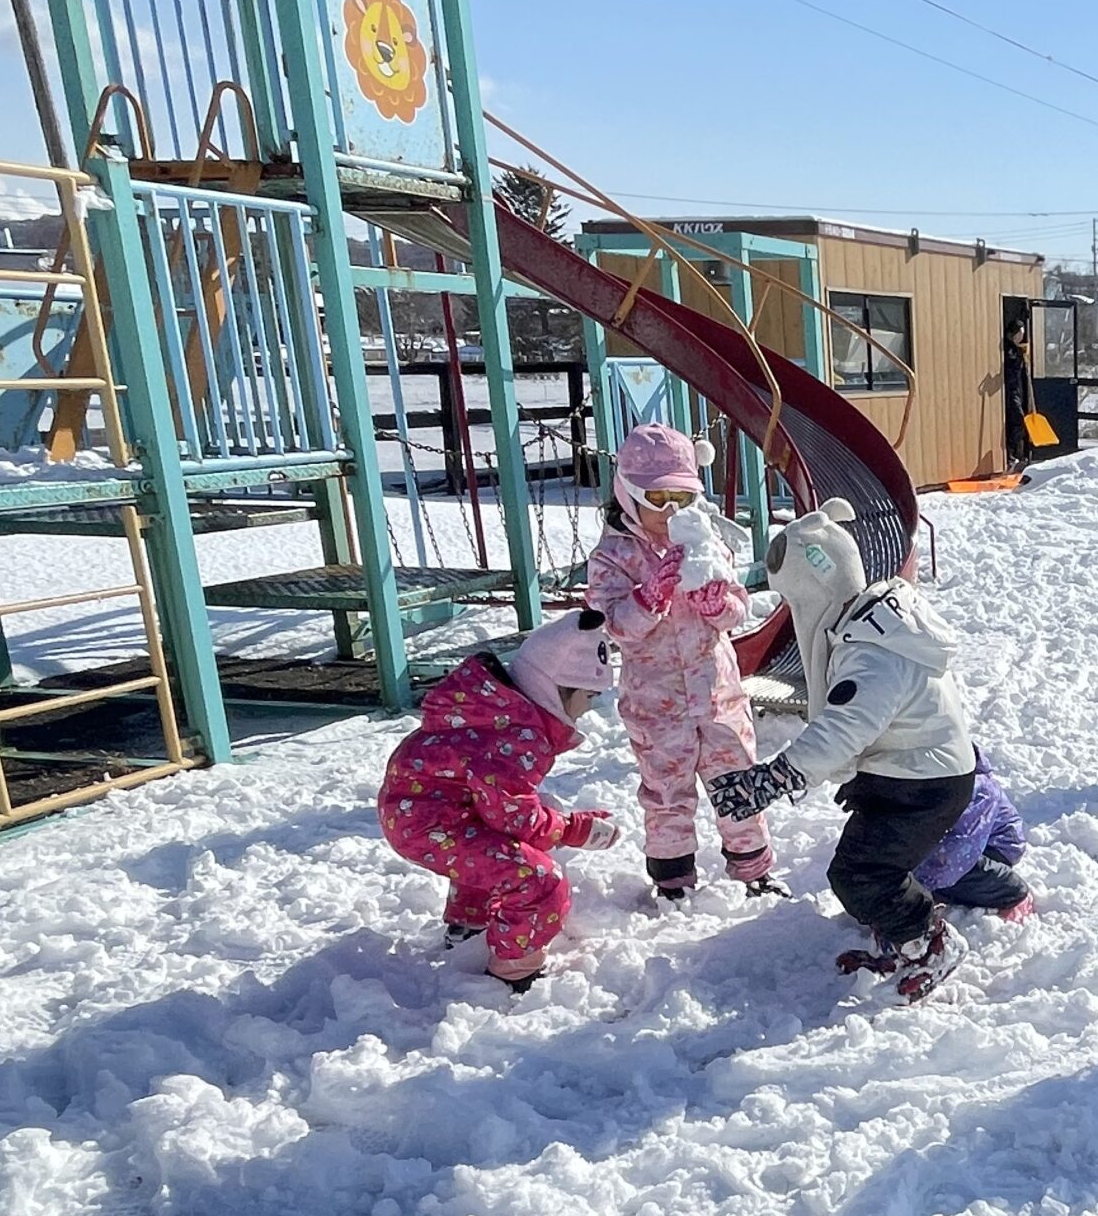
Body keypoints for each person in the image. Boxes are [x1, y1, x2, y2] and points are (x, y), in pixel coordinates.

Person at [705, 499, 980, 999]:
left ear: (816, 589)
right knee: (860, 871)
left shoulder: (872, 651)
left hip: (924, 783)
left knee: (863, 875)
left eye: (797, 603)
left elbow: (845, 727)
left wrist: (773, 779)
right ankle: (904, 940)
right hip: (909, 772)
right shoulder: (872, 624)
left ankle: (932, 943)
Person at [584, 423, 781, 901]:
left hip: (718, 697)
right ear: (629, 496)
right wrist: (647, 599)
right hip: (657, 702)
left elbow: (737, 607)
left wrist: (720, 606)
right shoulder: (612, 557)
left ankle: (753, 869)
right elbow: (613, 625)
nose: (671, 511)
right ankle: (673, 879)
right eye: (658, 499)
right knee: (667, 792)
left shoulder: (707, 544)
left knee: (736, 779)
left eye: (683, 497)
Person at [376, 608, 620, 991]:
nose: (590, 708)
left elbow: (502, 811)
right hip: (428, 823)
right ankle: (513, 972)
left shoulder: (501, 714)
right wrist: (574, 830)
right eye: (588, 696)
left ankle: (469, 927)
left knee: (490, 846)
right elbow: (517, 819)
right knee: (540, 880)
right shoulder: (516, 735)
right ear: (556, 689)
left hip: (422, 812)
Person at [915, 750, 1034, 918]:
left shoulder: (976, 790)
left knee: (941, 872)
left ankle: (1010, 891)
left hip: (993, 848)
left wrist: (914, 883)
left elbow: (955, 854)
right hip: (963, 843)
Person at [1002, 318, 1035, 472]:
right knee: (1019, 422)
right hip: (1011, 391)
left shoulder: (1019, 350)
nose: (1020, 338)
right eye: (1018, 334)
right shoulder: (1008, 350)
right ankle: (1010, 455)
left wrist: (1024, 357)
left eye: (1022, 335)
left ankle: (1017, 455)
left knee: (1020, 424)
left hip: (1020, 390)